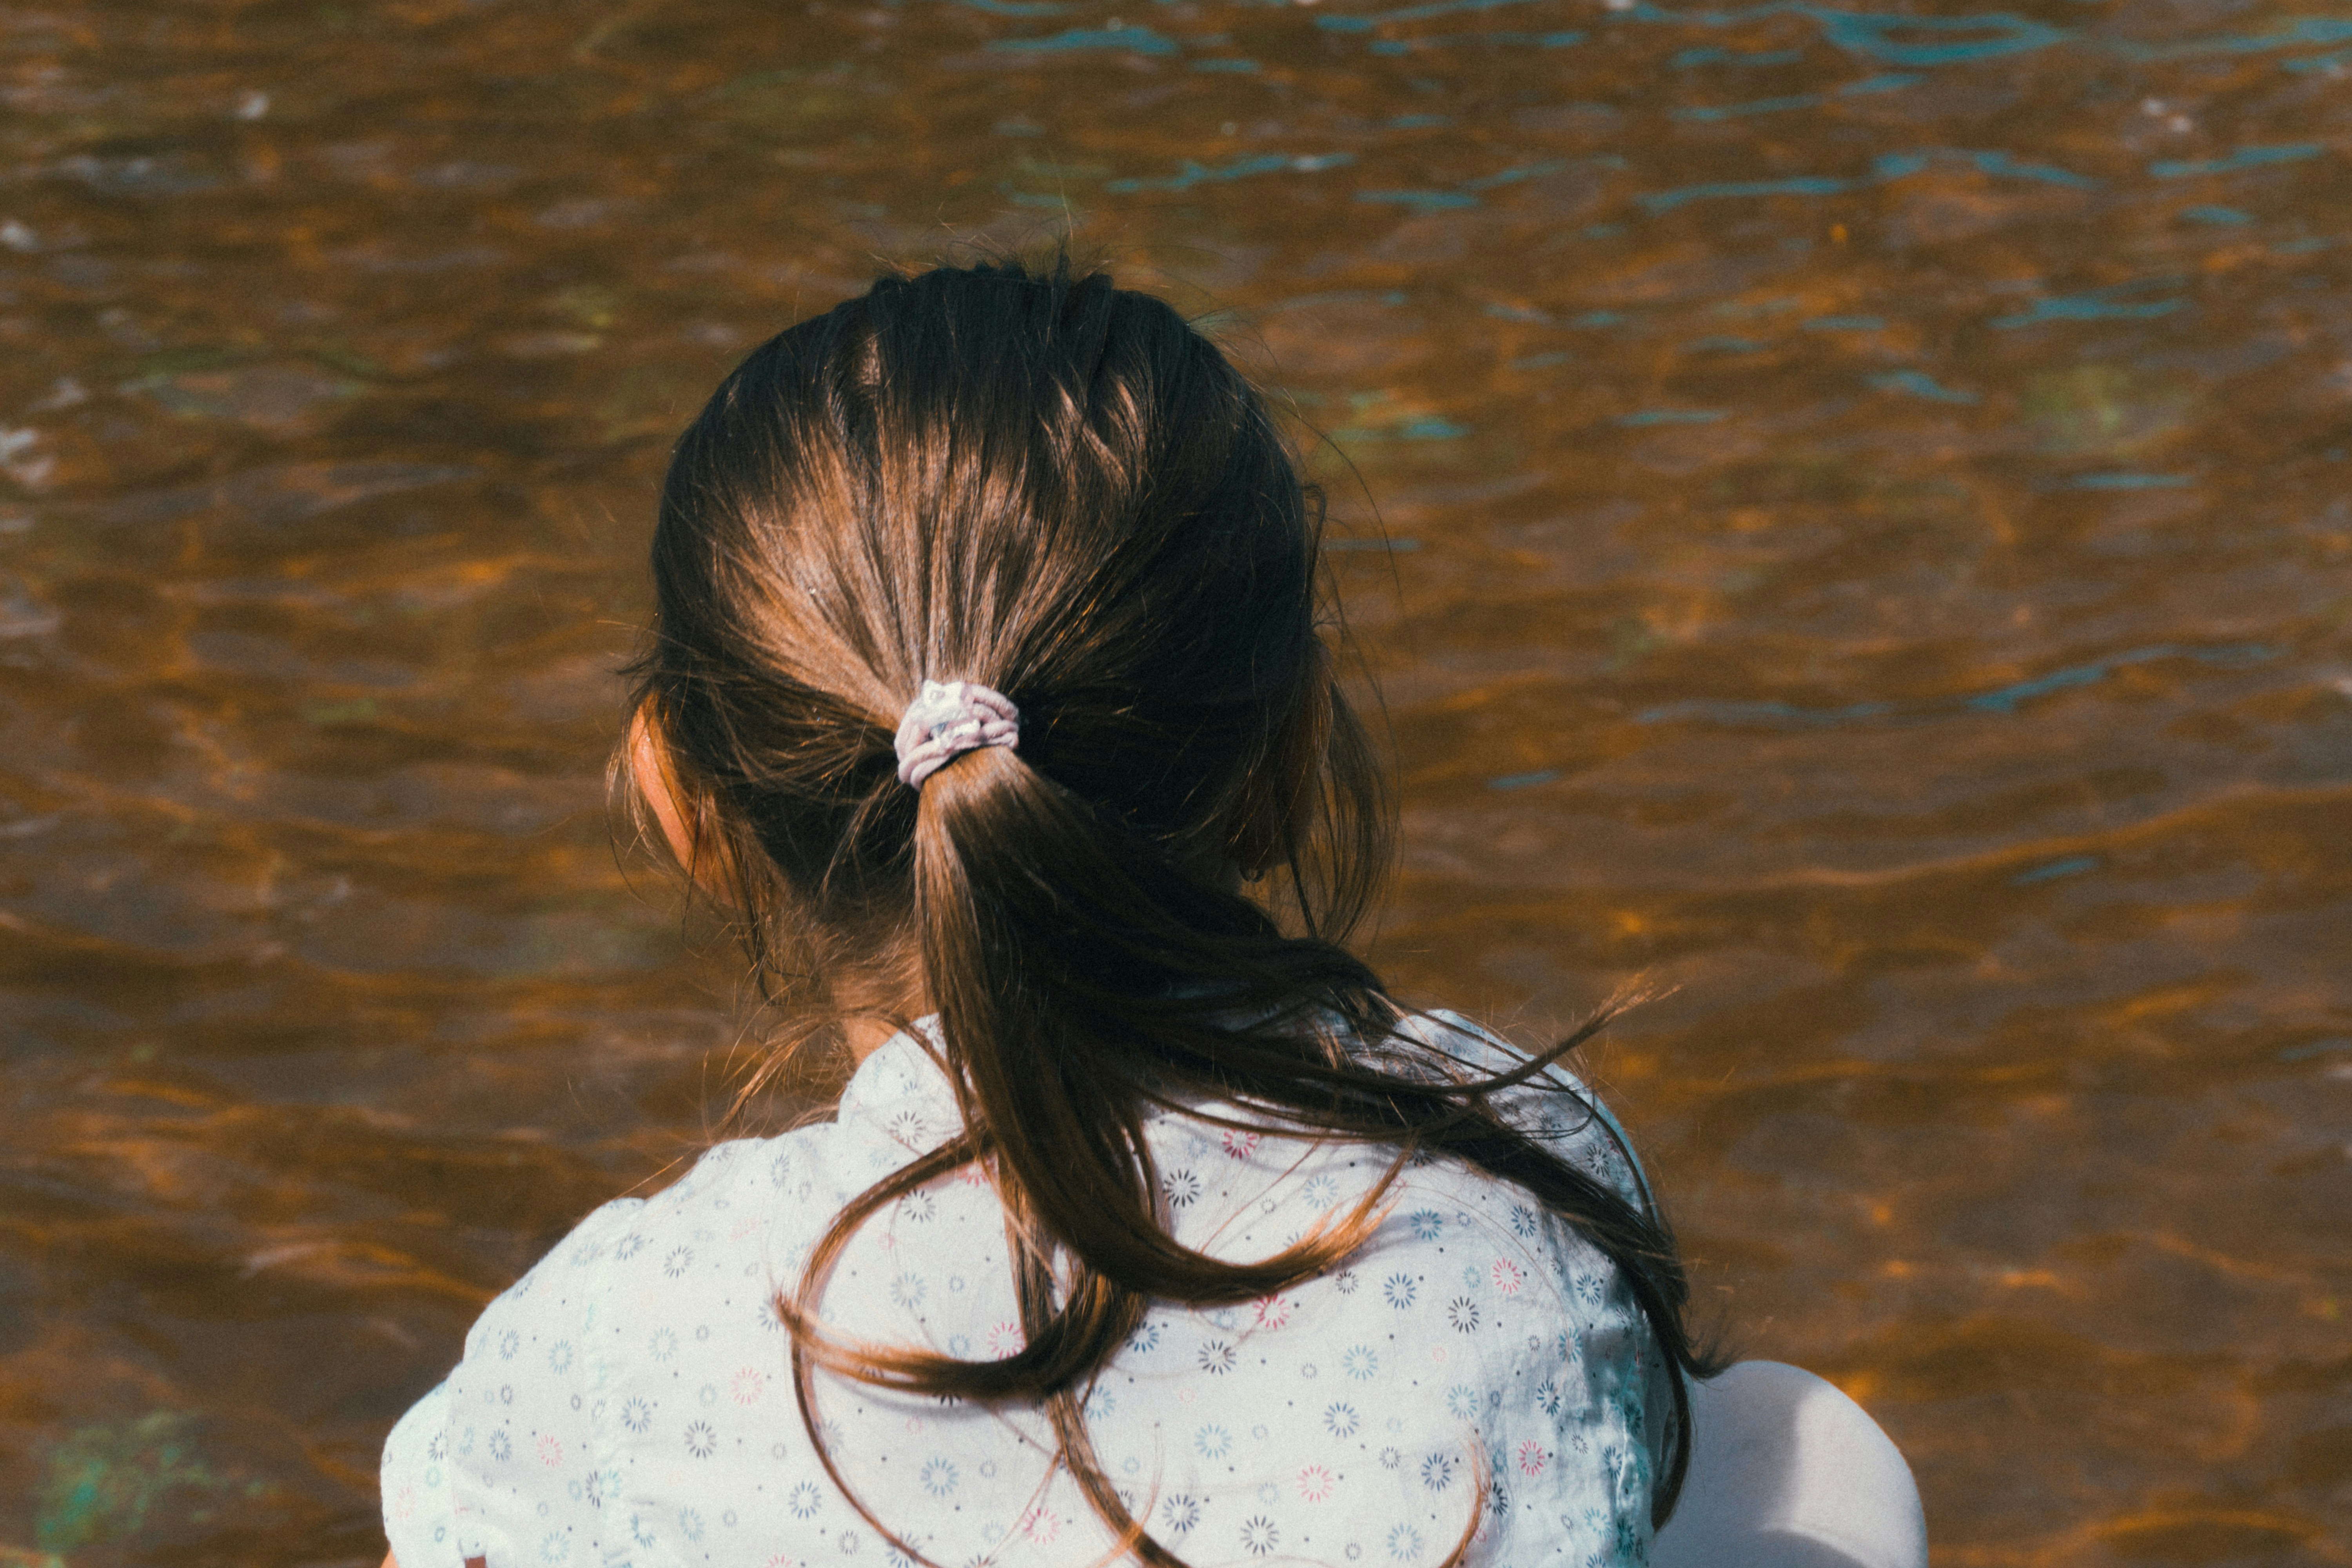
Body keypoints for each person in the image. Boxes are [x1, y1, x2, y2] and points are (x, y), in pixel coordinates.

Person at [378, 256, 1893, 1568]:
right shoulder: (1504, 1181)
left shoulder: (601, 1338)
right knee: (1800, 1449)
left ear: (683, 807)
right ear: (1294, 753)